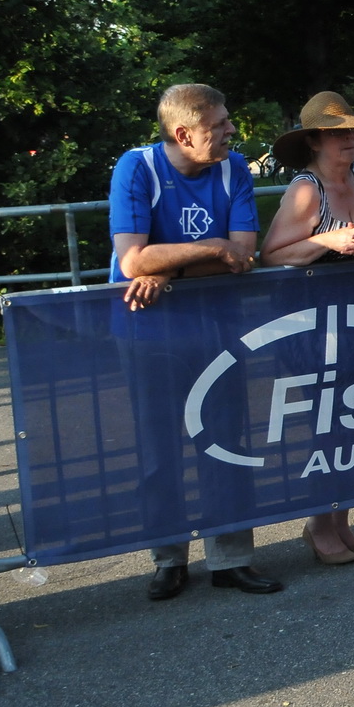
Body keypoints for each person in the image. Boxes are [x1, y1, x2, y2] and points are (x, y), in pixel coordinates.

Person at [109, 84, 282, 600]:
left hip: (218, 330)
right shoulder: (136, 168)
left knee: (226, 442)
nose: (232, 130)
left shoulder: (234, 169)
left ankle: (231, 559)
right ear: (184, 133)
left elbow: (245, 255)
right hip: (148, 332)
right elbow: (132, 262)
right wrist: (207, 250)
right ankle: (168, 558)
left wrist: (169, 268)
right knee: (159, 449)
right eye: (220, 124)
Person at [261, 92, 354, 565]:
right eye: (341, 132)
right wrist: (328, 240)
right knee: (327, 429)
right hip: (310, 325)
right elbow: (273, 254)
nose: (352, 139)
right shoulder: (306, 187)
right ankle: (320, 526)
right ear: (316, 140)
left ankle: (341, 521)